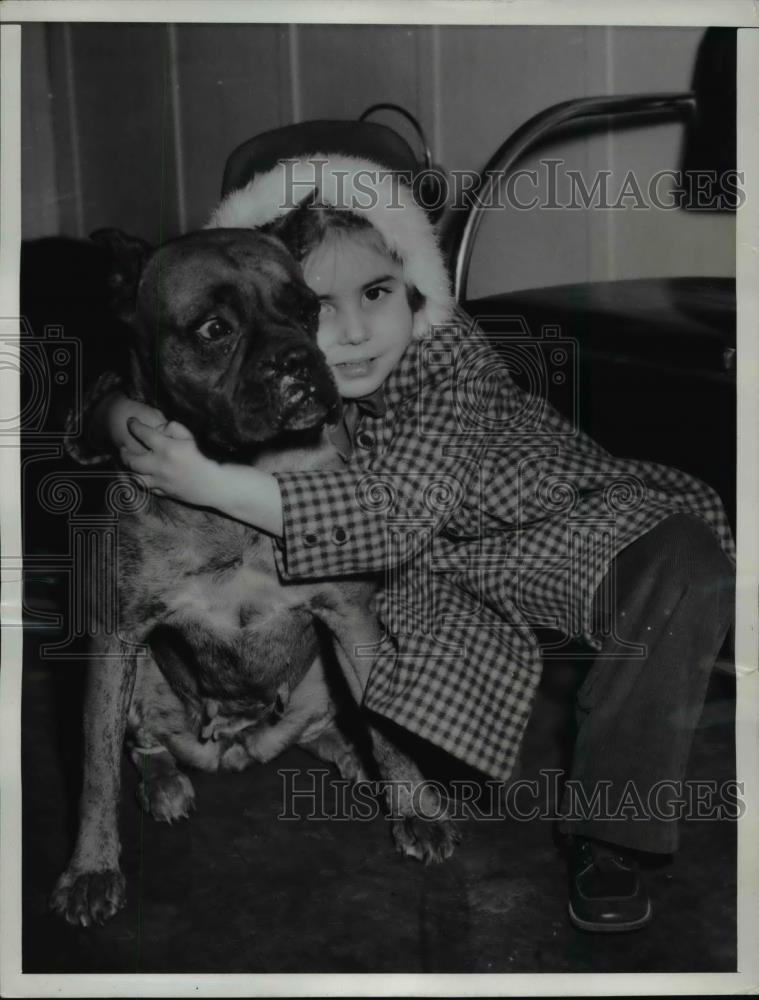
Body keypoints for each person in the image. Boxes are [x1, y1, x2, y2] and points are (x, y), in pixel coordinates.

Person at [71, 150, 735, 934]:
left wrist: (206, 482)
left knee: (675, 586)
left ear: (418, 292)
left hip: (582, 533)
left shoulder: (450, 366)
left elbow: (385, 523)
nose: (345, 332)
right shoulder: (315, 384)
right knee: (367, 631)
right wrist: (118, 417)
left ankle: (615, 836)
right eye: (322, 303)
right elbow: (109, 399)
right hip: (440, 571)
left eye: (376, 293)